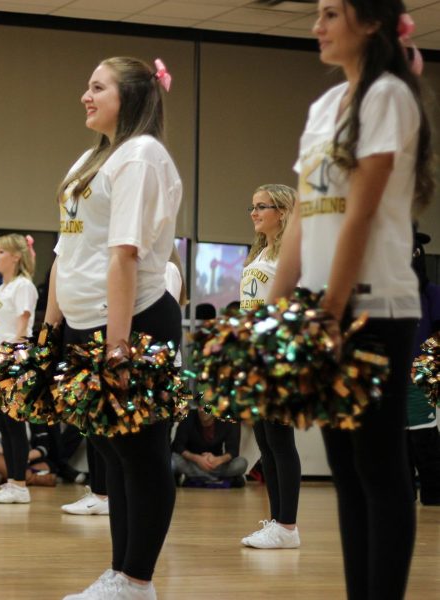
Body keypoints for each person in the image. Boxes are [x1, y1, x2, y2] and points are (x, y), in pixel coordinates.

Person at [270, 3, 433, 597]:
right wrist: (274, 310)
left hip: (373, 308)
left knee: (379, 466)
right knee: (343, 467)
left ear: (370, 23)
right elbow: (303, 222)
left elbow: (360, 212)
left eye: (331, 14)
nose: (317, 26)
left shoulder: (387, 96)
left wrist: (333, 311)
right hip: (322, 307)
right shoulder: (322, 107)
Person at [49, 57, 182, 600]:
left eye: (97, 87)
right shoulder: (93, 158)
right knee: (112, 451)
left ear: (127, 97)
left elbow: (124, 254)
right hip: (87, 324)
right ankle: (120, 571)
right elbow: (68, 250)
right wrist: (52, 326)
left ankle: (137, 579)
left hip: (133, 323)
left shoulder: (142, 156)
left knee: (143, 454)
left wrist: (119, 346)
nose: (86, 94)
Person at [237, 184, 303, 549]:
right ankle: (277, 521)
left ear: (283, 211)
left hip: (277, 354)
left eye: (261, 206)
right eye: (252, 207)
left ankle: (288, 526)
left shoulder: (291, 255)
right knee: (264, 439)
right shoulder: (260, 253)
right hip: (254, 354)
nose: (254, 213)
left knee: (279, 438)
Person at [0, 233, 40, 504]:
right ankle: (12, 482)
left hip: (13, 362)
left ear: (16, 256)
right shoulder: (1, 289)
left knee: (15, 424)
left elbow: (23, 323)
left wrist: (11, 357)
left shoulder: (22, 285)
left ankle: (20, 484)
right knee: (4, 425)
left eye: (1, 252)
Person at [407, 230, 440, 506]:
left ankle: (433, 492)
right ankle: (403, 493)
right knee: (396, 439)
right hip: (389, 374)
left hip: (421, 372)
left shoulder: (430, 293)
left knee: (424, 436)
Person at [171, 407, 247, 486]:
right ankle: (216, 478)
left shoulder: (228, 418)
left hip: (215, 462)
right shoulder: (187, 415)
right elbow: (178, 445)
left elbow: (233, 450)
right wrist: (197, 459)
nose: (202, 410)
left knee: (241, 463)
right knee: (173, 460)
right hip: (193, 460)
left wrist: (218, 460)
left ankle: (195, 476)